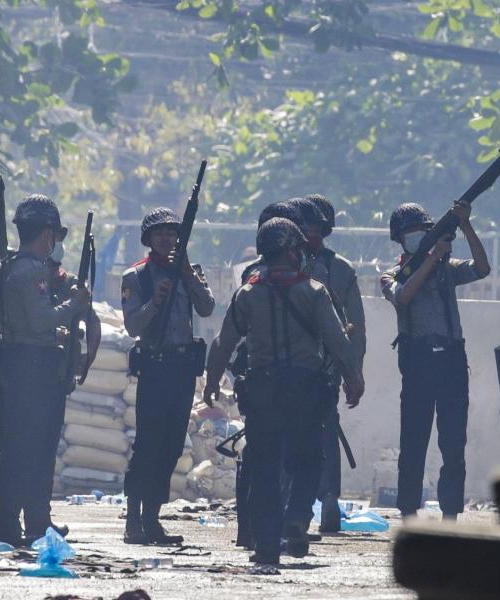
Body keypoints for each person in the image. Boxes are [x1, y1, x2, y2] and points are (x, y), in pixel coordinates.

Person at [203, 218, 364, 564]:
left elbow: (223, 342)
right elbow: (338, 341)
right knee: (307, 462)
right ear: (293, 251)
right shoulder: (314, 291)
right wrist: (353, 376)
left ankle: (265, 546)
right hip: (306, 389)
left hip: (262, 390)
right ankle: (297, 518)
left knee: (264, 466)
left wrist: (212, 380)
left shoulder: (248, 293)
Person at [0, 195, 90, 545]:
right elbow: (41, 318)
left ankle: (26, 520)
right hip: (32, 367)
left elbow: (3, 319)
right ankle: (15, 524)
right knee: (31, 446)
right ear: (47, 234)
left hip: (17, 360)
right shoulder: (31, 269)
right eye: (53, 237)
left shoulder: (7, 266)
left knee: (14, 444)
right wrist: (73, 305)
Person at [380, 202, 490, 520]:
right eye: (411, 234)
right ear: (400, 239)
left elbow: (482, 268)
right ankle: (409, 511)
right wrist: (429, 260)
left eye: (422, 233)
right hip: (417, 363)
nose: (417, 237)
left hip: (452, 361)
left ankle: (450, 513)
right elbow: (402, 296)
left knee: (453, 444)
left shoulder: (448, 268)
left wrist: (466, 225)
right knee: (413, 441)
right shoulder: (392, 274)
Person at [121, 207, 215, 545]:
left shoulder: (187, 271)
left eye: (173, 233)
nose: (167, 238)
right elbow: (133, 324)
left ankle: (152, 518)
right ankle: (134, 519)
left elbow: (206, 307)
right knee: (148, 443)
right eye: (160, 233)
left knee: (173, 444)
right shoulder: (137, 277)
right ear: (149, 239)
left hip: (181, 367)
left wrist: (188, 274)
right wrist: (154, 303)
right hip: (155, 366)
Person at [303, 194, 366, 532]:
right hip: (292, 367)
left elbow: (354, 326)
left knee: (326, 434)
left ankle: (328, 501)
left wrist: (352, 371)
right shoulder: (277, 264)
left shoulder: (339, 268)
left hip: (324, 368)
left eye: (314, 229)